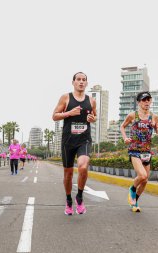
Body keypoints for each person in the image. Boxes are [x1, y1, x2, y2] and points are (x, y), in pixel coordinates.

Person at [52, 72, 97, 215]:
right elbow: (54, 116)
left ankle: (79, 196)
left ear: (86, 83)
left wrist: (92, 119)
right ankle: (68, 200)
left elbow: (94, 116)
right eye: (78, 79)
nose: (81, 82)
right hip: (68, 141)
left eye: (84, 80)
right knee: (68, 174)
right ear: (73, 82)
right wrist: (69, 113)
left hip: (84, 139)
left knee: (83, 167)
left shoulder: (91, 100)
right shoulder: (66, 97)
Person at [120, 91, 158, 212]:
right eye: (144, 100)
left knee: (145, 181)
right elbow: (122, 126)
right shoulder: (133, 115)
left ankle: (135, 202)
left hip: (147, 151)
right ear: (139, 102)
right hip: (134, 150)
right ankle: (132, 189)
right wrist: (125, 138)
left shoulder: (154, 116)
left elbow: (157, 127)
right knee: (142, 175)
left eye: (149, 100)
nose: (147, 102)